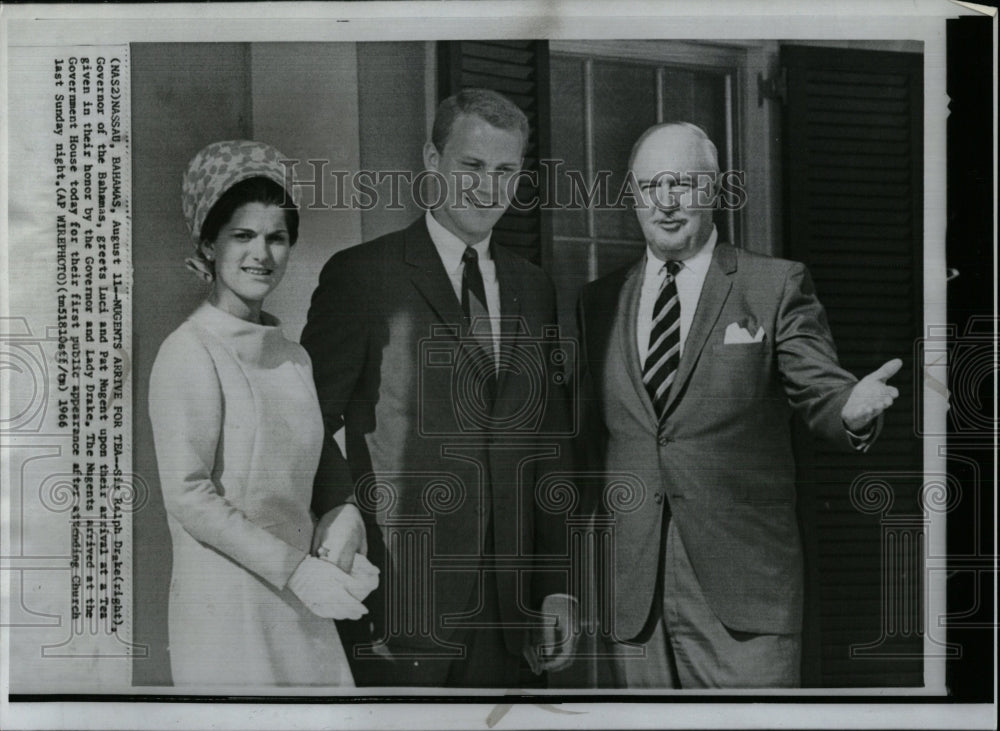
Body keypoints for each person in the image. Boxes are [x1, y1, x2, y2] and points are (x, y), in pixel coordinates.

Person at [576, 122, 901, 688]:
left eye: (684, 183)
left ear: (716, 189)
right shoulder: (598, 302)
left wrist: (848, 407)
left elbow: (817, 383)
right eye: (651, 186)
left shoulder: (772, 285)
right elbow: (586, 444)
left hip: (744, 594)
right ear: (632, 195)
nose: (668, 202)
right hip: (632, 598)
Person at [301, 89, 578, 687]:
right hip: (401, 596)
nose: (488, 187)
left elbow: (549, 442)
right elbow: (306, 423)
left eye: (506, 171)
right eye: (471, 167)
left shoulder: (534, 289)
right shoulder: (363, 277)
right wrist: (339, 508)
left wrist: (556, 585)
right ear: (433, 161)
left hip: (511, 612)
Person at [149, 140, 377, 686]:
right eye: (243, 236)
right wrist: (295, 570)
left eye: (277, 238)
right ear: (208, 243)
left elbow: (314, 453)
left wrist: (344, 509)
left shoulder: (292, 354)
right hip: (228, 610)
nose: (262, 255)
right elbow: (189, 495)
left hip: (302, 602)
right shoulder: (189, 350)